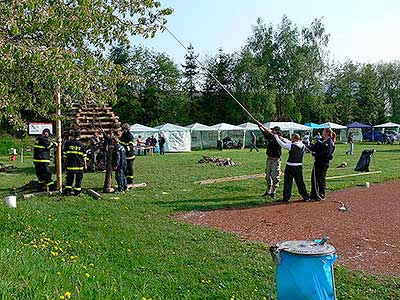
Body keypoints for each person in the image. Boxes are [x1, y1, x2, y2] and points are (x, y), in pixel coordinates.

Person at [273, 133, 310, 202]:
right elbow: (289, 142)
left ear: (295, 139)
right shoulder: (302, 145)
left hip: (290, 166)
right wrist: (282, 138)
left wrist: (276, 138)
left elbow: (283, 145)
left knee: (288, 182)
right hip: (298, 166)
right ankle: (306, 197)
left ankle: (286, 198)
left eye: (292, 138)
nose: (291, 139)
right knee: (300, 182)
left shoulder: (292, 146)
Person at [307, 128, 336, 201]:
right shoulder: (321, 140)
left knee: (321, 178)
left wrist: (316, 154)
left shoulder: (330, 142)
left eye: (323, 131)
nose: (322, 132)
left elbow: (327, 154)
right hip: (317, 162)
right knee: (314, 178)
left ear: (327, 133)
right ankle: (314, 194)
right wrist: (305, 146)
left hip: (323, 163)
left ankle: (321, 195)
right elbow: (314, 147)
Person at [257, 123, 282, 199]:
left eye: (273, 130)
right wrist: (259, 126)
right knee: (268, 176)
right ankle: (268, 191)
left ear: (277, 131)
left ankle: (273, 192)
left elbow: (268, 132)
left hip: (276, 160)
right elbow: (265, 133)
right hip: (269, 159)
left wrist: (261, 125)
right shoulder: (271, 136)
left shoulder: (279, 138)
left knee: (275, 176)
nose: (272, 131)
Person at [63, 130, 87, 196]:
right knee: (79, 179)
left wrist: (64, 164)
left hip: (70, 164)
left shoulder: (68, 143)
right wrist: (85, 165)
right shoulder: (82, 145)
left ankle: (68, 191)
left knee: (69, 178)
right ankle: (77, 192)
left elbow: (65, 155)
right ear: (79, 136)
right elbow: (84, 156)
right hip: (79, 165)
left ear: (73, 136)